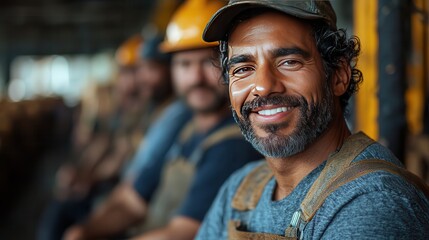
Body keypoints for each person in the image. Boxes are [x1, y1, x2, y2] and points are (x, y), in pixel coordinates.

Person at [196, 0, 429, 239]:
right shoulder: (240, 189)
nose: (263, 87)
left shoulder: (373, 202)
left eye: (289, 62)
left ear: (338, 76)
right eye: (243, 68)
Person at [63, 0, 262, 239]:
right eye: (184, 64)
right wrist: (84, 232)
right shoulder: (185, 128)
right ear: (173, 70)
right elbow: (132, 200)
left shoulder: (233, 143)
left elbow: (183, 233)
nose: (195, 77)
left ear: (231, 64)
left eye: (208, 62)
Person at [38, 34, 175, 240]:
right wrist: (85, 174)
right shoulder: (139, 110)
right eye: (129, 72)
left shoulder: (169, 114)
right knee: (58, 214)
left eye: (147, 69)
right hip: (123, 191)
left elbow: (129, 166)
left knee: (62, 217)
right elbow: (111, 148)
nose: (138, 79)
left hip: (128, 194)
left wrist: (92, 181)